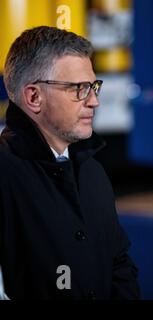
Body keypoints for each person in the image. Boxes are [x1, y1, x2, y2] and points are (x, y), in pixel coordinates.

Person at [0, 26, 140, 299]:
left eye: (94, 87)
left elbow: (119, 265)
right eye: (79, 89)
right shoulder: (4, 174)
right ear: (34, 97)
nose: (94, 101)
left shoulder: (92, 172)